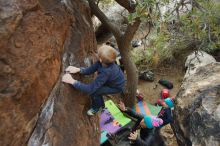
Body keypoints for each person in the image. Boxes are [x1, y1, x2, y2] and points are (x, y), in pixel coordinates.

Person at [62, 45, 125, 116]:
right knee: (98, 89)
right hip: (112, 80)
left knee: (95, 92)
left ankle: (96, 107)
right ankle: (101, 104)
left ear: (101, 59)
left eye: (98, 54)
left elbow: (89, 89)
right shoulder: (102, 62)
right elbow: (91, 69)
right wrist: (79, 70)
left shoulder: (106, 73)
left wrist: (72, 81)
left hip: (115, 87)